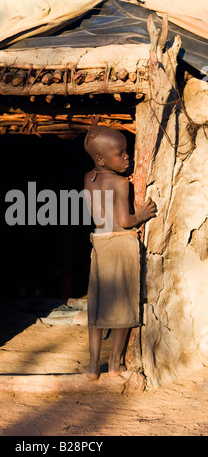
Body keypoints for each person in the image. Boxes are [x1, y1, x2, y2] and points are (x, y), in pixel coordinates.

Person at [83, 126, 156, 379]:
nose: (127, 156)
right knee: (124, 304)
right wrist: (143, 214)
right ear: (101, 159)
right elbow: (125, 221)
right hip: (122, 245)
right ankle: (115, 364)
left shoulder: (88, 179)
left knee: (97, 303)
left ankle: (93, 366)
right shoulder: (121, 183)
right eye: (121, 152)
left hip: (100, 242)